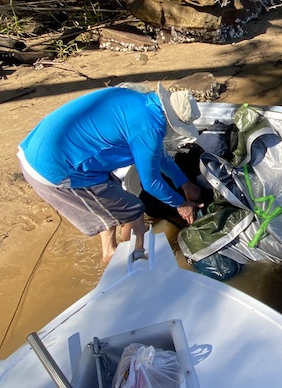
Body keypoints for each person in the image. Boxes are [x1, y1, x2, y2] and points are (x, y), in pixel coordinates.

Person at [17, 82, 203, 263]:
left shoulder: (138, 99)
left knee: (112, 198)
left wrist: (184, 184)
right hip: (56, 169)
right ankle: (134, 263)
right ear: (172, 121)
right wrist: (181, 204)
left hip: (35, 151)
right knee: (133, 210)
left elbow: (157, 155)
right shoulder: (150, 128)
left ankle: (109, 253)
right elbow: (150, 183)